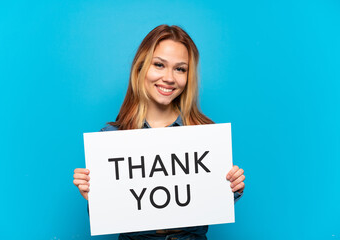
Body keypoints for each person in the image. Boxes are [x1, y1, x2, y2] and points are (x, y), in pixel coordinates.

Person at [73, 24, 245, 240]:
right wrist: (94, 196)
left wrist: (231, 187)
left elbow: (208, 201)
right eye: (159, 65)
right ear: (141, 67)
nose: (169, 78)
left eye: (180, 69)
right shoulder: (110, 140)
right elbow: (110, 214)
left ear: (188, 76)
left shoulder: (204, 134)